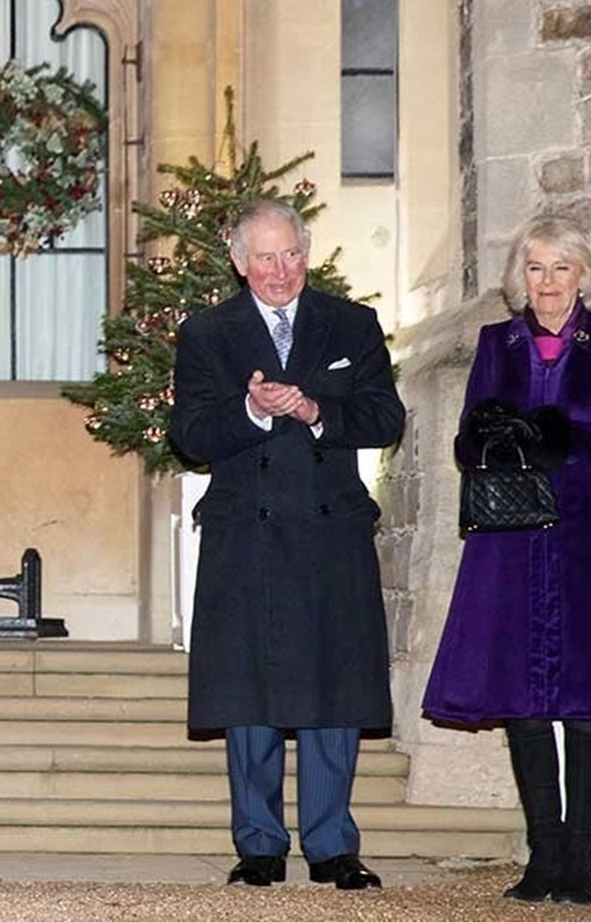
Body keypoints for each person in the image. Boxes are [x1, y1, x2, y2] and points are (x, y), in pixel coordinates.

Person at [423, 215, 591, 906]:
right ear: (520, 277)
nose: (548, 282)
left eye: (561, 268)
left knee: (589, 698)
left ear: (583, 276)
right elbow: (467, 442)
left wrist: (558, 435)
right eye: (535, 268)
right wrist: (493, 434)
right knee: (523, 699)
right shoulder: (495, 343)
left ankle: (582, 858)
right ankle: (544, 854)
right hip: (511, 537)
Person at [169, 199, 405, 891]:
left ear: (307, 254)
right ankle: (259, 845)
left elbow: (384, 417)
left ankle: (333, 846)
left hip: (331, 532)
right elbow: (190, 435)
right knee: (249, 696)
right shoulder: (208, 333)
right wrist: (250, 410)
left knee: (335, 689)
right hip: (247, 535)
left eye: (292, 255)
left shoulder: (352, 323)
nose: (281, 271)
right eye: (266, 258)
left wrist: (313, 410)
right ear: (239, 262)